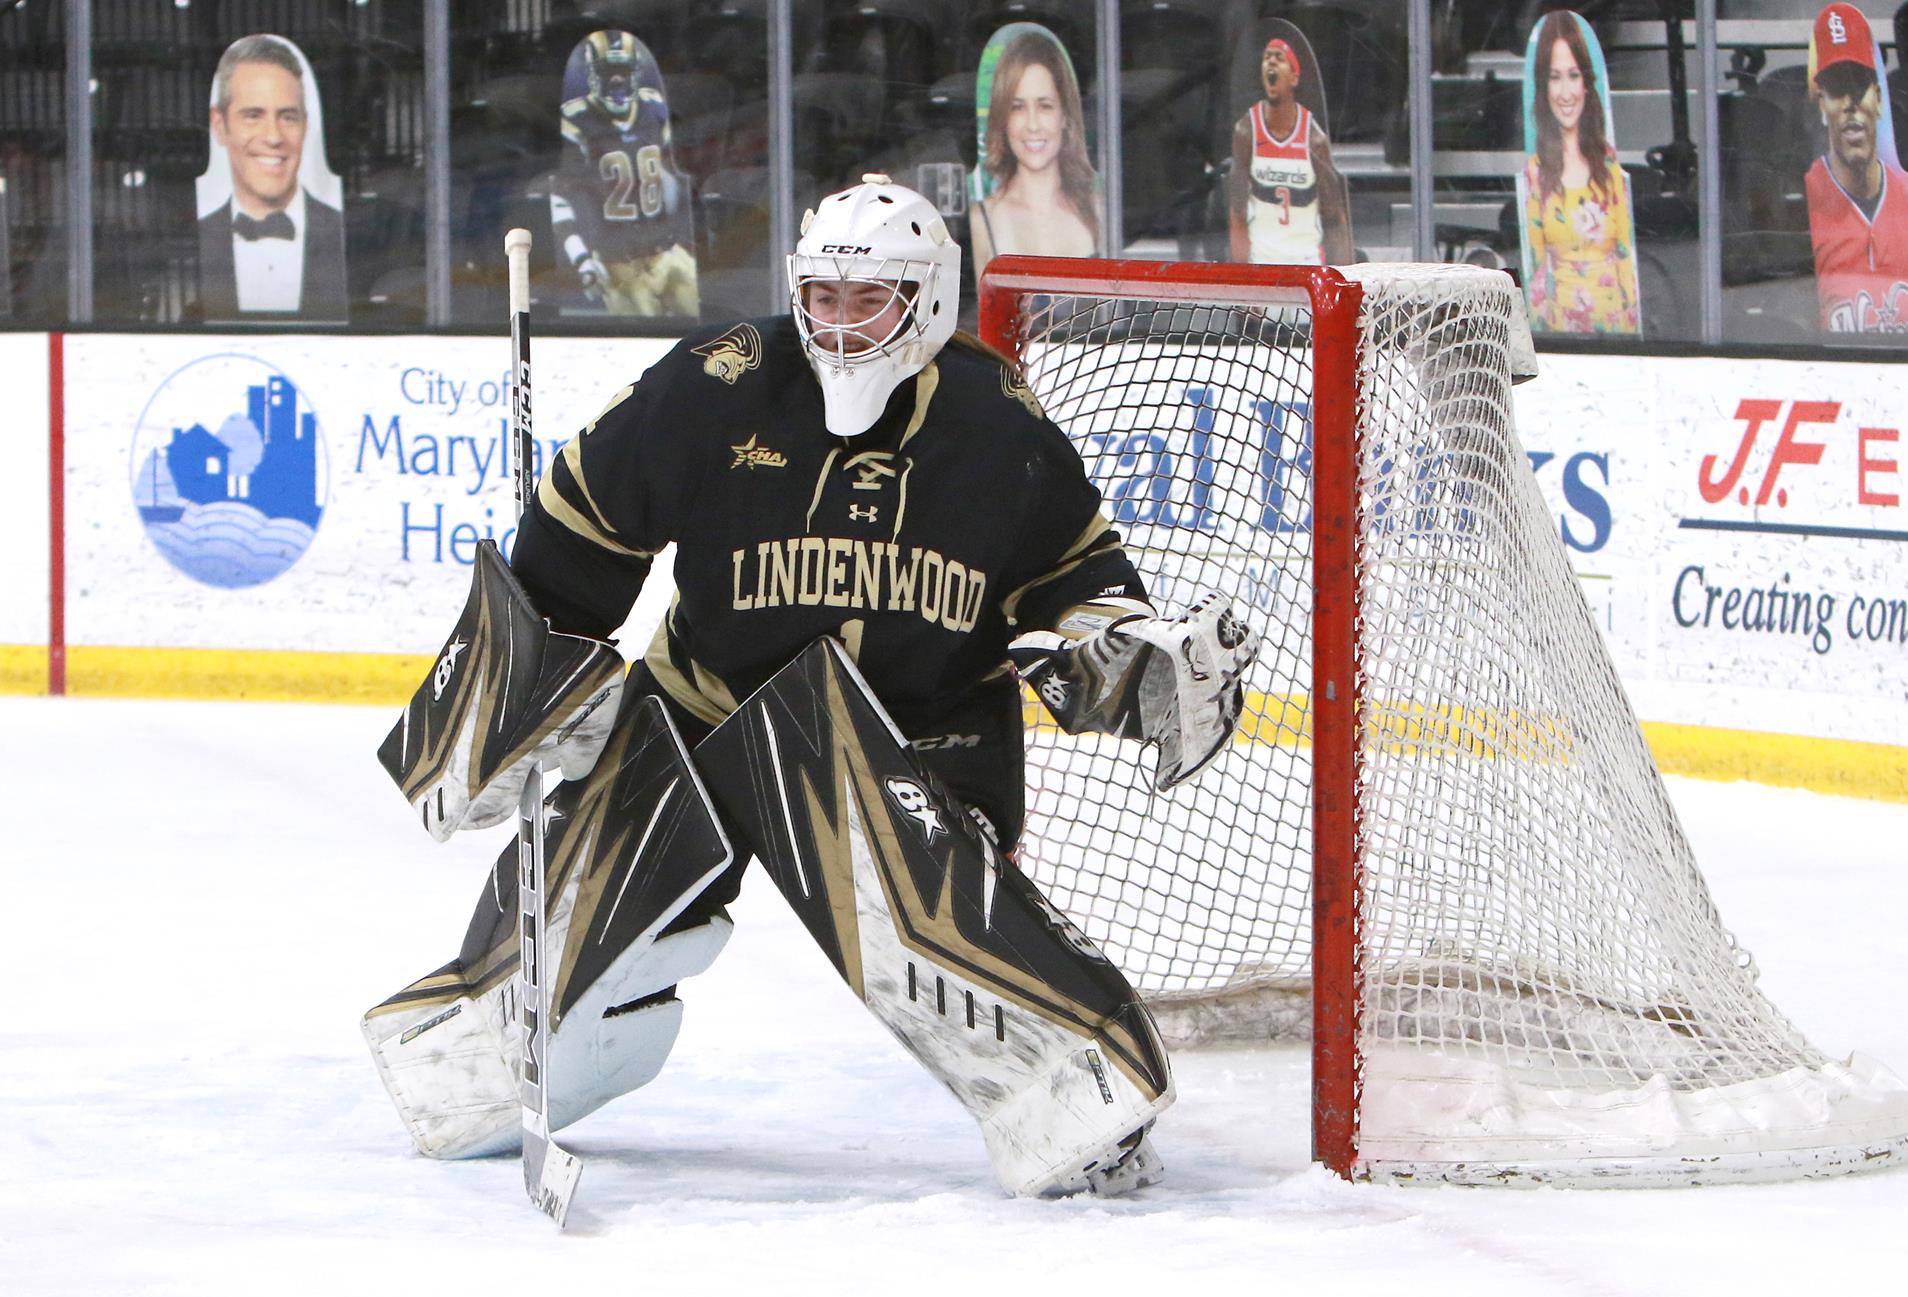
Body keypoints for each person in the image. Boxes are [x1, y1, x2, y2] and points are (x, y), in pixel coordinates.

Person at [362, 177, 1258, 1199]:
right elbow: (580, 528)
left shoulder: (994, 421)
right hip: (702, 704)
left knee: (878, 842)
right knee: (527, 986)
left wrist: (1128, 655)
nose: (835, 324)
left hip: (919, 740)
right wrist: (522, 683)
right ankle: (487, 1043)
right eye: (820, 296)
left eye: (864, 299)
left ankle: (1075, 1078)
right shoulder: (717, 384)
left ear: (924, 298)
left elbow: (1080, 586)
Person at [196, 34, 348, 320]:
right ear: (219, 125)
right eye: (253, 115)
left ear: (306, 125)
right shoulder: (193, 237)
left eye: (288, 117)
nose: (273, 137)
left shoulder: (352, 233)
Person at [549, 29, 699, 318]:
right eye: (608, 71)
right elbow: (562, 197)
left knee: (703, 335)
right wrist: (582, 261)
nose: (616, 80)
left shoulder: (653, 107)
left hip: (666, 251)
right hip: (618, 261)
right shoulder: (578, 119)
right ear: (593, 75)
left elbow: (675, 179)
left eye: (622, 70)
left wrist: (686, 240)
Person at [1803, 3, 1908, 340]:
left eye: (1858, 85)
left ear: (1879, 98)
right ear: (1823, 106)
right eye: (1836, 89)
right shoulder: (1805, 199)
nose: (1849, 104)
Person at [1517, 11, 1639, 335]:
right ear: (1543, 87)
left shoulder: (1610, 166)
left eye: (1573, 75)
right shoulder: (1536, 176)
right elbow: (1536, 276)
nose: (1566, 92)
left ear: (1587, 83)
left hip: (1619, 339)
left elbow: (1627, 261)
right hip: (1563, 340)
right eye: (1555, 77)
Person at [968, 27, 1100, 284]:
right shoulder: (980, 219)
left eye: (1045, 106)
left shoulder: (1100, 209)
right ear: (1003, 119)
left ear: (1065, 115)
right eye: (1017, 108)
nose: (1032, 124)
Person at [1228, 37, 1354, 266]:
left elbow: (1335, 220)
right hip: (1262, 264)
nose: (1271, 63)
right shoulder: (1246, 132)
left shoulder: (1314, 140)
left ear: (1294, 77)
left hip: (1306, 263)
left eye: (1279, 58)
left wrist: (1343, 285)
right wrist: (1242, 281)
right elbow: (1238, 215)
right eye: (1267, 58)